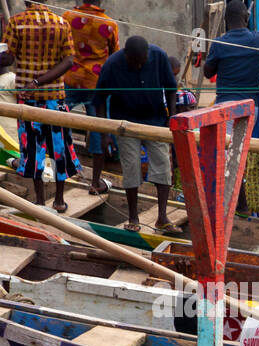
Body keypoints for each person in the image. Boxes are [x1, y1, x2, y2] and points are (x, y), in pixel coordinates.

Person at [92, 36, 178, 234]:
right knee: (131, 168)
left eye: (142, 61)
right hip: (125, 122)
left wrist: (171, 116)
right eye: (134, 62)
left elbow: (172, 88)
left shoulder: (159, 56)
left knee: (163, 166)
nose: (139, 65)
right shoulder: (113, 64)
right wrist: (104, 133)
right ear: (126, 55)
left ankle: (162, 217)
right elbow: (100, 100)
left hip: (155, 120)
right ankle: (133, 217)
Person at [1, 2, 80, 212]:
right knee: (59, 148)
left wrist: (33, 82)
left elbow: (7, 57)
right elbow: (69, 60)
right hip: (56, 97)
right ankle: (60, 201)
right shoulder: (62, 23)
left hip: (28, 99)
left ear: (26, 2)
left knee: (33, 149)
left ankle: (39, 202)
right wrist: (42, 81)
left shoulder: (16, 23)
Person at [203, 0, 259, 211]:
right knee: (241, 154)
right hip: (250, 106)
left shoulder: (219, 43)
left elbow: (208, 72)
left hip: (225, 106)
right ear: (247, 18)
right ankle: (240, 205)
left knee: (226, 155)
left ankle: (232, 204)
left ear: (226, 21)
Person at [62, 0, 118, 196]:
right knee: (100, 129)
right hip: (97, 81)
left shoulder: (67, 17)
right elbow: (114, 56)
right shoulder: (109, 24)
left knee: (60, 121)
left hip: (71, 76)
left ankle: (62, 173)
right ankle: (95, 182)